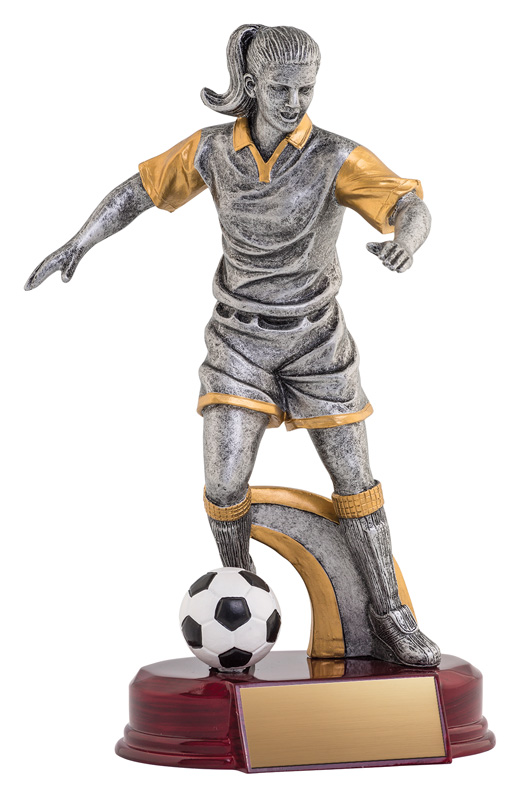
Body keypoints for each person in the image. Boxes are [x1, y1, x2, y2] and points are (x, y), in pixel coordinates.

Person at [25, 24, 440, 667]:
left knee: (355, 479)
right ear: (251, 84)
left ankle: (390, 616)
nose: (295, 102)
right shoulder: (213, 150)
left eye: (306, 89)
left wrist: (406, 241)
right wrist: (80, 240)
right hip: (238, 341)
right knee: (223, 485)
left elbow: (409, 204)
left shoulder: (337, 156)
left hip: (318, 343)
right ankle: (241, 600)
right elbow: (139, 191)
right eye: (280, 88)